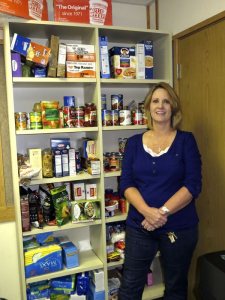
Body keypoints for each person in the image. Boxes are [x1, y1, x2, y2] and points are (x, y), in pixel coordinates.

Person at [118, 82, 202, 300]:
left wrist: (161, 212)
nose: (161, 106)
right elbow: (126, 184)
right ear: (148, 108)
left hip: (179, 228)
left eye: (166, 101)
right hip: (140, 225)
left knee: (175, 287)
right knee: (129, 286)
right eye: (155, 101)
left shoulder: (186, 141)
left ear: (173, 107)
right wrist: (147, 211)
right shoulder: (134, 143)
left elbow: (193, 185)